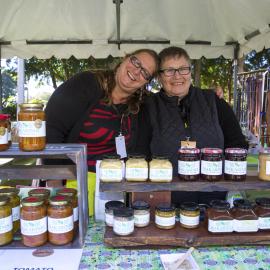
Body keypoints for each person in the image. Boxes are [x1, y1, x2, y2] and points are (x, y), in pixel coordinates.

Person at [45, 49, 159, 215]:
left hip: (117, 189)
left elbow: (140, 151)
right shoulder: (85, 83)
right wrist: (55, 182)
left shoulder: (143, 105)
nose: (136, 71)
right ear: (125, 58)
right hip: (75, 184)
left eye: (145, 73)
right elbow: (52, 128)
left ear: (146, 82)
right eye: (136, 62)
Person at [146, 46, 248, 205]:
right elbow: (139, 153)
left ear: (190, 72)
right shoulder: (149, 106)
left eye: (183, 69)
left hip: (213, 199)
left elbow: (237, 145)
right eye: (169, 70)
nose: (177, 76)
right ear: (159, 77)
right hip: (165, 200)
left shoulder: (214, 101)